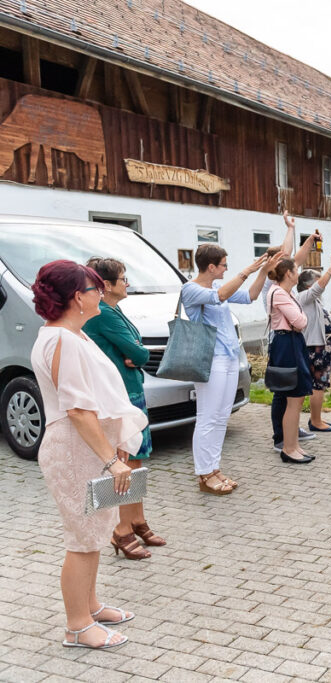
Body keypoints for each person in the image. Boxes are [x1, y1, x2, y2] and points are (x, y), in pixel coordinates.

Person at [30, 260, 147, 649]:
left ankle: (91, 604)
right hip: (74, 449)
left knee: (96, 531)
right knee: (82, 538)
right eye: (96, 288)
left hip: (89, 446)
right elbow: (78, 408)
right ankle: (77, 626)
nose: (102, 293)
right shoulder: (61, 339)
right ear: (79, 297)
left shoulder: (71, 334)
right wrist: (112, 460)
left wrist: (112, 449)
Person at [82, 257, 163, 560]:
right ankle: (121, 530)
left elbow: (136, 344)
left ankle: (137, 520)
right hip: (120, 395)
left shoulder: (114, 309)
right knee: (125, 464)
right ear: (106, 285)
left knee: (138, 460)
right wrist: (135, 354)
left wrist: (135, 353)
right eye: (123, 278)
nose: (127, 283)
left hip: (130, 390)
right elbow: (138, 352)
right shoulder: (103, 314)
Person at [182, 244, 278, 494]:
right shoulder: (191, 289)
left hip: (228, 357)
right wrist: (248, 269)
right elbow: (220, 296)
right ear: (211, 267)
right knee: (207, 417)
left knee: (222, 416)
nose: (227, 269)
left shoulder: (216, 286)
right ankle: (203, 474)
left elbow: (249, 297)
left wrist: (263, 272)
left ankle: (213, 468)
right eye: (224, 264)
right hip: (209, 360)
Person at [265, 211, 321, 453]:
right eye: (289, 265)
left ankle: (289, 437)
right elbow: (299, 321)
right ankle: (282, 439)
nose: (296, 269)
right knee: (284, 394)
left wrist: (306, 239)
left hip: (289, 340)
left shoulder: (283, 285)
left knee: (289, 394)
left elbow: (293, 257)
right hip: (283, 341)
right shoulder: (275, 288)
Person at [266, 258, 314, 463]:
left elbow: (300, 320)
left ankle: (293, 445)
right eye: (296, 270)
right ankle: (288, 448)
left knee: (297, 397)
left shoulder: (286, 293)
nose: (298, 273)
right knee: (293, 397)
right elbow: (301, 321)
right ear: (288, 273)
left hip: (291, 342)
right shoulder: (278, 293)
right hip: (287, 344)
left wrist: (298, 321)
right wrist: (298, 321)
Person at [296, 255, 331, 432]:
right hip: (316, 350)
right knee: (318, 385)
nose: (322, 284)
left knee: (320, 384)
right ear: (309, 285)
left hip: (322, 348)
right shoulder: (304, 296)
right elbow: (319, 287)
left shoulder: (313, 300)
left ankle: (317, 419)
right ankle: (315, 421)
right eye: (317, 281)